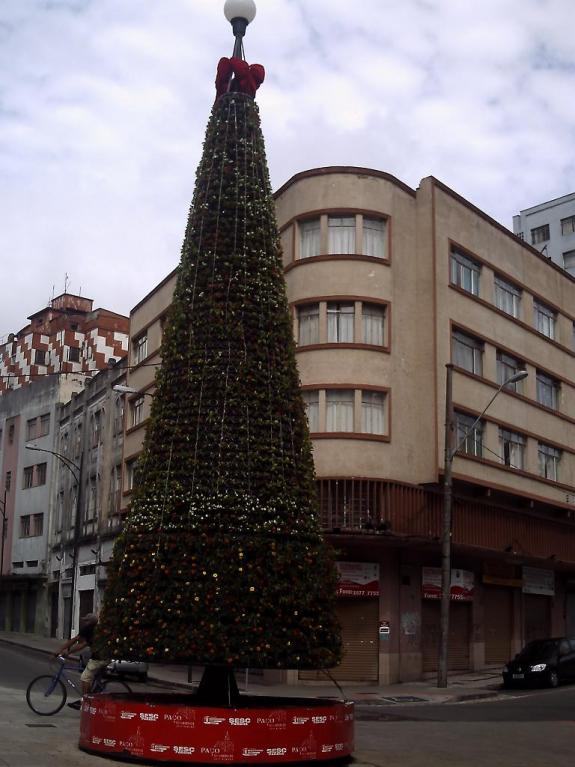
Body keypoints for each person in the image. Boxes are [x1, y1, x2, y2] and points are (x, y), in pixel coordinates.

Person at [54, 612, 108, 708]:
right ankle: (93, 697)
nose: (84, 622)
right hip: (104, 656)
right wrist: (67, 652)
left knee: (85, 677)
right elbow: (82, 645)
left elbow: (75, 640)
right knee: (92, 676)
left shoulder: (89, 628)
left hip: (99, 658)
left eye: (86, 621)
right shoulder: (96, 629)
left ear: (90, 622)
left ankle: (85, 702)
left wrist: (60, 650)